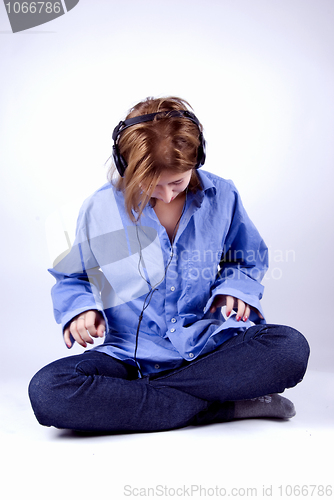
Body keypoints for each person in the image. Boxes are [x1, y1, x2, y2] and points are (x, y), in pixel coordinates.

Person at [29, 96, 310, 433]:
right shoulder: (100, 208)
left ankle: (143, 404)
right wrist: (80, 309)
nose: (167, 195)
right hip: (129, 358)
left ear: (197, 160)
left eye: (177, 182)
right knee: (49, 391)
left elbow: (245, 259)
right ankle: (220, 405)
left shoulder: (223, 196)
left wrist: (234, 289)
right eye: (152, 185)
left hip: (209, 348)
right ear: (126, 166)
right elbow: (72, 277)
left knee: (290, 348)